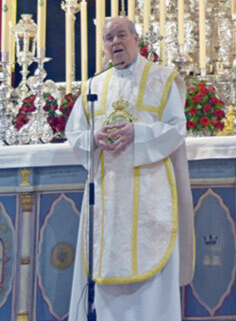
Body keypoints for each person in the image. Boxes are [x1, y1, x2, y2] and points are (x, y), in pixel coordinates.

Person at [66, 17, 194, 320]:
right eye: (109, 38)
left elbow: (177, 129)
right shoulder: (94, 86)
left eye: (122, 35)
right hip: (106, 194)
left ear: (137, 38)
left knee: (150, 284)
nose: (116, 43)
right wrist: (92, 138)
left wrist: (139, 133)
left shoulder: (162, 80)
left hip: (149, 190)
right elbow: (74, 134)